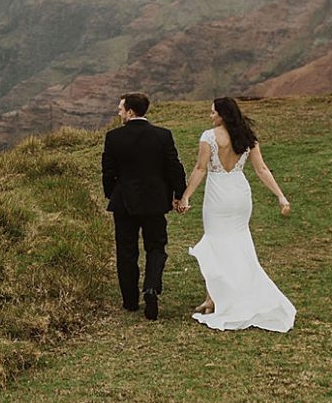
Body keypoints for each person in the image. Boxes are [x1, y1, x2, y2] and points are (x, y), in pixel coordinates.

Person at [176, 97, 296, 332]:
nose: (210, 116)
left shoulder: (209, 137)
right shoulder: (246, 136)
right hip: (240, 193)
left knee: (215, 242)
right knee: (239, 241)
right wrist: (280, 196)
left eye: (213, 113)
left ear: (222, 114)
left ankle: (213, 299)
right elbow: (261, 169)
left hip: (218, 195)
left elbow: (200, 169)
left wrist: (186, 196)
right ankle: (219, 296)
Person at [100, 92, 187, 321]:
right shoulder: (162, 136)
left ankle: (130, 301)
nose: (118, 112)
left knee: (126, 251)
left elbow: (108, 172)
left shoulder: (114, 137)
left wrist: (112, 194)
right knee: (156, 246)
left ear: (130, 111)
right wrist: (179, 193)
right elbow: (174, 167)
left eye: (120, 109)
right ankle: (151, 287)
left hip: (124, 202)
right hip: (155, 201)